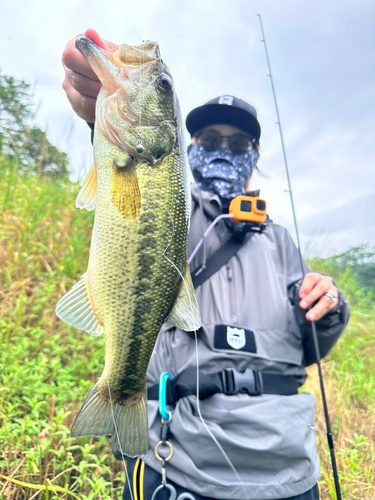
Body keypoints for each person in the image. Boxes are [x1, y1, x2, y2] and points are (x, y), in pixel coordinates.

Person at [62, 30, 350, 500]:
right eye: (211, 138)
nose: (224, 150)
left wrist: (329, 307)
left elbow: (311, 344)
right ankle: (122, 396)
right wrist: (98, 117)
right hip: (182, 460)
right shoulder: (179, 210)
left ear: (254, 157)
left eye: (238, 144)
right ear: (188, 144)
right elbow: (129, 186)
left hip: (289, 469)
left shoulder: (280, 240)